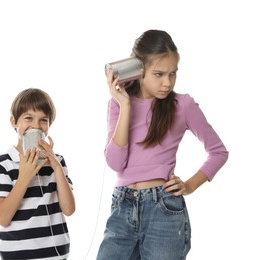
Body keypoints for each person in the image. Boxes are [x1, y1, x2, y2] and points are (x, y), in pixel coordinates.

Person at [96, 30, 229, 260]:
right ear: (139, 70)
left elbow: (218, 152)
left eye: (173, 74)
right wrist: (125, 106)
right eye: (159, 74)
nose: (167, 83)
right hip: (122, 205)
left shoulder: (182, 105)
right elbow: (116, 163)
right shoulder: (117, 105)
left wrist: (188, 186)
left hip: (163, 208)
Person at [0, 88, 75, 260]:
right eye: (28, 118)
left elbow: (69, 209)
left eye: (43, 120)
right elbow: (3, 218)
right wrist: (24, 177)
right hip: (18, 255)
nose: (36, 125)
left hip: (56, 255)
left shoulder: (57, 161)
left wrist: (57, 167)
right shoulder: (3, 164)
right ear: (14, 122)